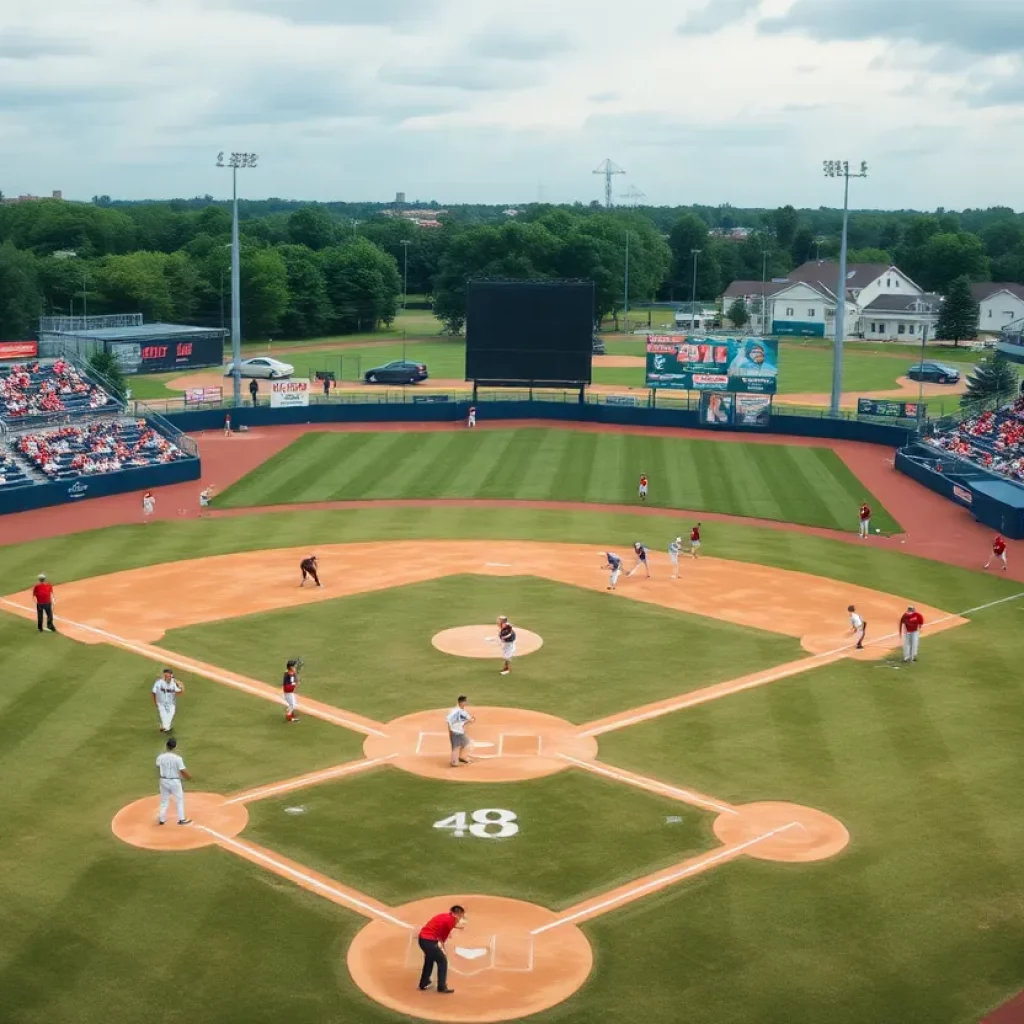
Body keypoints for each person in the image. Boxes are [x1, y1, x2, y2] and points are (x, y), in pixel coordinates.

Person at [417, 904, 466, 994]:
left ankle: (424, 983)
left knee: (429, 959)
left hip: (422, 939)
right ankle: (441, 987)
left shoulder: (444, 916)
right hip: (429, 942)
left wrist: (455, 926)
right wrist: (442, 949)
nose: (460, 918)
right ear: (458, 913)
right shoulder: (451, 921)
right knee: (442, 961)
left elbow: (441, 924)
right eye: (461, 915)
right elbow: (442, 938)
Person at [156, 737, 192, 826]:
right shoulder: (178, 758)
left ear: (166, 746)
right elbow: (182, 770)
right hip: (174, 782)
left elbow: (157, 766)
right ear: (175, 747)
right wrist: (189, 777)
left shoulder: (160, 757)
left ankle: (161, 819)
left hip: (163, 780)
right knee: (179, 800)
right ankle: (181, 819)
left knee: (164, 801)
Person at [152, 667, 184, 732]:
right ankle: (165, 727)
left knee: (169, 718)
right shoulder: (159, 683)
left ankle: (164, 726)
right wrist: (156, 702)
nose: (168, 677)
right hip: (161, 704)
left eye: (170, 676)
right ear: (164, 676)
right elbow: (153, 692)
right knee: (165, 723)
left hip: (171, 704)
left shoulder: (174, 683)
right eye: (166, 676)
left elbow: (180, 692)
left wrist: (180, 685)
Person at [447, 695, 474, 767]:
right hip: (455, 733)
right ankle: (454, 761)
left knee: (468, 743)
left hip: (460, 733)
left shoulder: (463, 711)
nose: (467, 702)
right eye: (465, 701)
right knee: (456, 749)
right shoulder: (454, 712)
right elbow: (449, 721)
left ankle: (461, 757)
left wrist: (470, 720)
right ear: (462, 703)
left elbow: (466, 721)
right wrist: (450, 732)